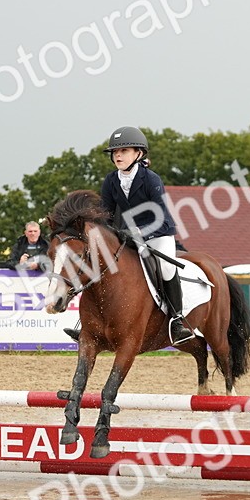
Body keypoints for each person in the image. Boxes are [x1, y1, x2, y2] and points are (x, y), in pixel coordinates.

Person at [64, 125, 193, 345]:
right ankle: (86, 325)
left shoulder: (151, 179)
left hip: (158, 233)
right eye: (115, 152)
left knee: (166, 267)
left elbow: (161, 216)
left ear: (138, 153)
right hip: (127, 235)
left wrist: (138, 232)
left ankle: (177, 321)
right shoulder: (111, 181)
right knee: (101, 263)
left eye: (123, 151)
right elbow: (106, 215)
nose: (118, 155)